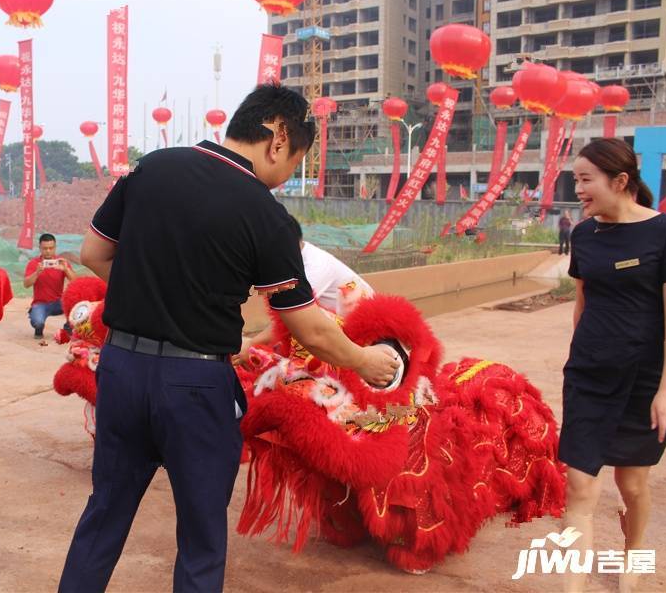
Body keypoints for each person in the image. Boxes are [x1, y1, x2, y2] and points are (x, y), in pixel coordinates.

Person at [58, 84, 400, 593]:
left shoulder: (153, 167)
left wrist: (158, 301)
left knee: (104, 512)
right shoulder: (265, 215)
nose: (286, 177)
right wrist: (365, 360)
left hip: (123, 370)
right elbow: (308, 326)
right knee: (201, 539)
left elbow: (93, 253)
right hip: (194, 386)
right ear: (279, 138)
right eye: (296, 160)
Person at [560, 138, 666, 593]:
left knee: (632, 486)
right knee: (579, 489)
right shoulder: (585, 234)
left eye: (586, 179)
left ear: (620, 181)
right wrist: (579, 360)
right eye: (576, 180)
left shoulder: (665, 232)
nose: (579, 189)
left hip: (642, 382)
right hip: (589, 377)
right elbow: (581, 305)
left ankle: (633, 557)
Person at [237, 214, 375, 362]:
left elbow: (295, 318)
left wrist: (251, 344)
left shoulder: (315, 267)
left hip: (363, 338)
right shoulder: (295, 260)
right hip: (334, 330)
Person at [24, 233, 77, 340]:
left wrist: (66, 270)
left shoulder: (61, 262)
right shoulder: (34, 263)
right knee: (38, 322)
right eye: (45, 248)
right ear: (39, 248)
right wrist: (37, 272)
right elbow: (26, 284)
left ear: (55, 247)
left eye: (51, 248)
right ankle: (39, 328)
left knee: (76, 301)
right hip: (40, 303)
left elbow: (76, 282)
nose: (48, 251)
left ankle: (68, 327)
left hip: (59, 302)